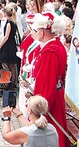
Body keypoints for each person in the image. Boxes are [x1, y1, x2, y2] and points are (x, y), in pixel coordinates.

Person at [31, 12, 70, 147]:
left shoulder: (50, 51)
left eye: (35, 30)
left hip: (49, 100)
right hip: (55, 94)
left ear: (42, 32)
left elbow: (46, 83)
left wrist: (38, 107)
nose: (33, 33)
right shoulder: (56, 46)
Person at [0, 5, 21, 90]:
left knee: (8, 65)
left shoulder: (9, 23)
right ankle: (12, 83)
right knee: (12, 66)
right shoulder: (13, 21)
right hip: (12, 44)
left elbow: (6, 36)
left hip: (8, 45)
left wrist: (0, 46)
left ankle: (9, 83)